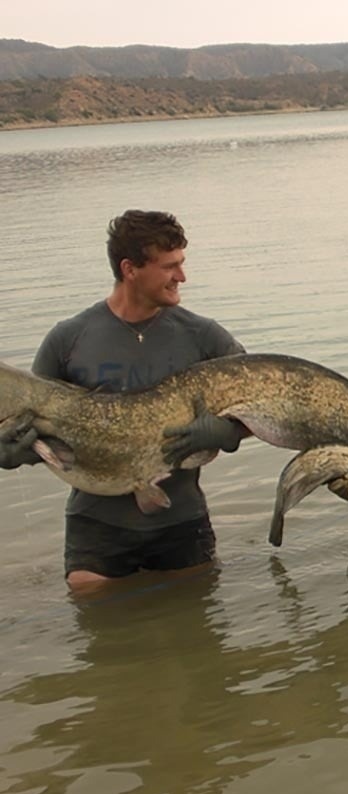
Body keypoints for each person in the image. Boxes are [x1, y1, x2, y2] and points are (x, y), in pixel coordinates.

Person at [0, 210, 246, 591]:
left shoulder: (204, 336)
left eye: (181, 263)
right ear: (130, 269)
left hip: (182, 522)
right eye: (169, 267)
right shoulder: (68, 339)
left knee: (194, 630)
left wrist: (229, 433)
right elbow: (36, 427)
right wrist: (14, 452)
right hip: (96, 527)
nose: (182, 277)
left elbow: (260, 407)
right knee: (98, 627)